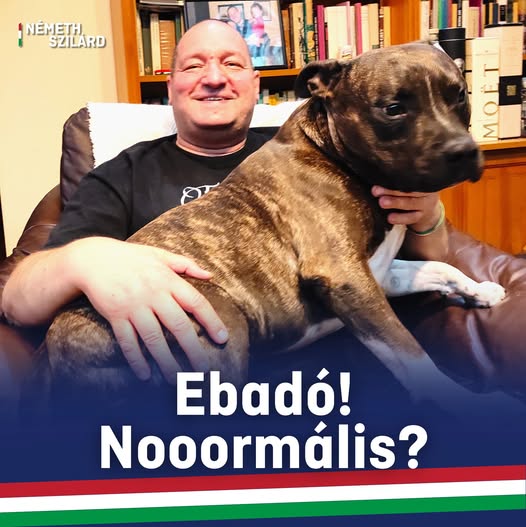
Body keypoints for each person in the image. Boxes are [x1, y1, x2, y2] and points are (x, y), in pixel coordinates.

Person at [1, 20, 447, 387]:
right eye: (194, 65)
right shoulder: (123, 173)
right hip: (187, 380)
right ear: (171, 86)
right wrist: (82, 258)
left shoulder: (322, 153)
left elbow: (418, 259)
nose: (214, 77)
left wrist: (427, 217)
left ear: (256, 84)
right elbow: (17, 298)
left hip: (340, 384)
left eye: (231, 63)